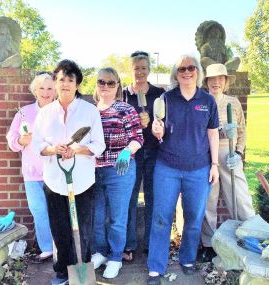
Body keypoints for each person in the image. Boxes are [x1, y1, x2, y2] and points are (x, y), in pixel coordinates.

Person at [147, 54, 220, 285]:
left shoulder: (207, 100)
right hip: (167, 167)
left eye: (191, 68)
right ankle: (155, 267)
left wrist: (215, 164)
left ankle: (187, 259)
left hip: (198, 169)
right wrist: (156, 130)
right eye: (181, 69)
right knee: (161, 218)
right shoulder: (165, 99)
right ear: (175, 74)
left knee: (194, 217)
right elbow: (158, 128)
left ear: (197, 71)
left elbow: (212, 133)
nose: (186, 72)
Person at [32, 60, 106, 285]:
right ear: (55, 82)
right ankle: (62, 272)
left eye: (70, 80)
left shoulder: (89, 111)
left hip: (82, 180)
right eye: (61, 79)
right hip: (54, 180)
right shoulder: (45, 113)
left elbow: (98, 145)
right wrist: (54, 149)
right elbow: (38, 146)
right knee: (60, 229)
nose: (65, 84)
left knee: (83, 229)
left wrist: (77, 149)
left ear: (77, 84)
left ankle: (82, 271)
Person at [91, 67, 144, 279]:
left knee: (117, 218)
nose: (105, 86)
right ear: (96, 85)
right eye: (101, 82)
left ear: (117, 86)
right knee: (98, 217)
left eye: (110, 83)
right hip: (94, 171)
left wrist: (127, 151)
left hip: (119, 170)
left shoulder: (126, 110)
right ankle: (101, 252)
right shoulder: (90, 111)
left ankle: (115, 257)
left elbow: (137, 137)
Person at [201, 63, 255, 261]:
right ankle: (208, 243)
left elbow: (242, 132)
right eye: (212, 79)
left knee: (240, 196)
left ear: (225, 82)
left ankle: (248, 235)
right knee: (209, 199)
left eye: (220, 79)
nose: (216, 82)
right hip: (208, 154)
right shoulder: (203, 101)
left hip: (230, 154)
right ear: (207, 82)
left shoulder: (233, 102)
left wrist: (239, 153)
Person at [6, 72, 55, 263]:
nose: (45, 92)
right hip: (32, 173)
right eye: (41, 88)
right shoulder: (24, 112)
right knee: (39, 211)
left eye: (50, 88)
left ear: (55, 91)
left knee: (58, 212)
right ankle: (47, 248)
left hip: (56, 171)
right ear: (35, 90)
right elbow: (12, 140)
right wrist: (21, 140)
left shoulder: (61, 111)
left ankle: (62, 247)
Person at [123, 51, 165, 261]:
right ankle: (128, 244)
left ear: (149, 69)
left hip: (154, 152)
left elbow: (167, 122)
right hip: (131, 154)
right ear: (130, 69)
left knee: (153, 197)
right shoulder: (123, 95)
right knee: (129, 198)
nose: (139, 72)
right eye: (136, 67)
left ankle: (150, 244)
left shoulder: (159, 93)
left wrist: (154, 125)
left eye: (143, 67)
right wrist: (135, 124)